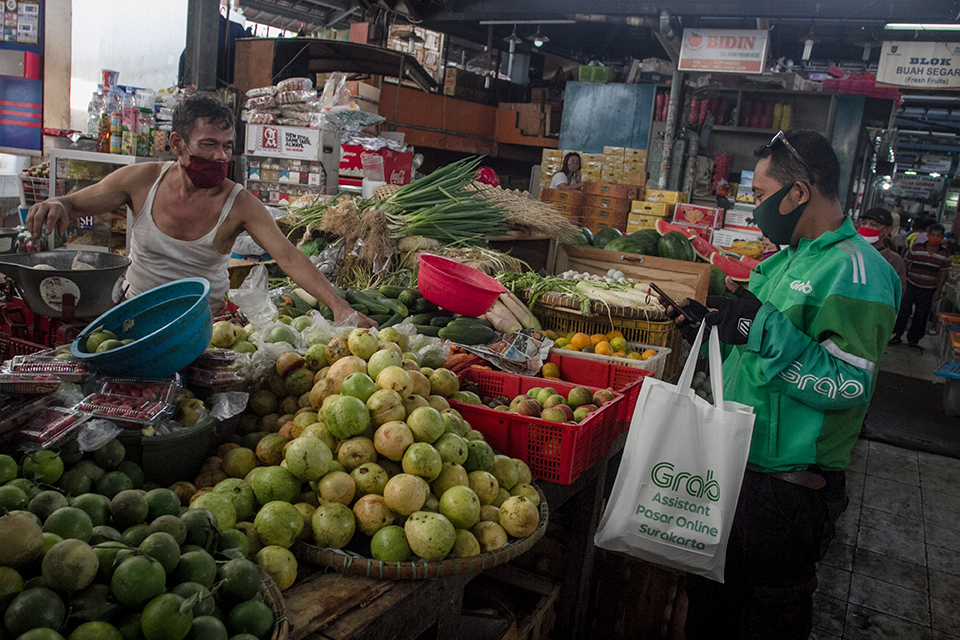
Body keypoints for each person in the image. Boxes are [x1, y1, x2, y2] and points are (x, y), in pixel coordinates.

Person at [663, 130, 900, 640]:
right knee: (710, 603)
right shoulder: (782, 261)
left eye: (760, 196)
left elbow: (847, 386)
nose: (755, 211)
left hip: (789, 492)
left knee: (769, 616)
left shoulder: (859, 273)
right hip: (733, 467)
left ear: (800, 192)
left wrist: (760, 328)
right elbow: (749, 359)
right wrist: (707, 333)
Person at [27, 95, 373, 327]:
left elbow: (289, 256)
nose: (221, 157)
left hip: (200, 329)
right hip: (132, 316)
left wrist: (338, 305)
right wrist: (58, 203)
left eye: (227, 147)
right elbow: (75, 203)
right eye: (209, 144)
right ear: (178, 143)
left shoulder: (238, 203)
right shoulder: (143, 180)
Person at [890, 223, 951, 347]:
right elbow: (906, 264)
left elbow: (943, 273)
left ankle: (914, 339)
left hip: (928, 289)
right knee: (903, 311)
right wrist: (902, 282)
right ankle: (897, 335)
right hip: (911, 284)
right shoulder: (917, 248)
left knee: (921, 315)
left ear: (942, 237)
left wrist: (938, 290)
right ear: (928, 235)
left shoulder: (945, 254)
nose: (935, 237)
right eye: (933, 235)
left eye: (938, 236)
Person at [858, 207, 906, 296]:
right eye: (864, 223)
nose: (866, 228)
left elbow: (898, 292)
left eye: (873, 225)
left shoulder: (893, 260)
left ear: (887, 230)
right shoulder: (851, 251)